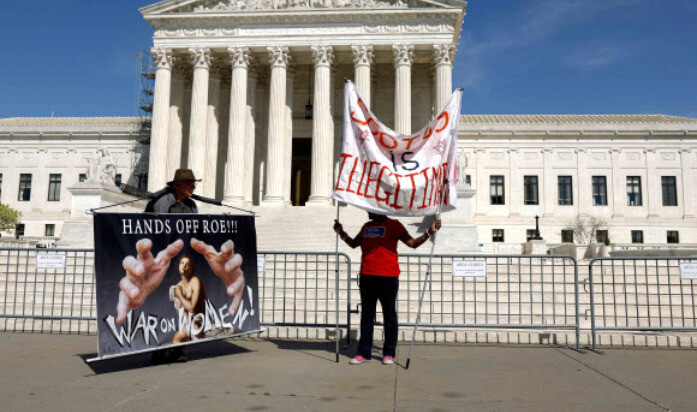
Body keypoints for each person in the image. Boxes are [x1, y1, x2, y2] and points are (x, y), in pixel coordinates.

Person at [334, 212, 441, 365]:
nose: (367, 211)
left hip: (388, 276)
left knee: (389, 316)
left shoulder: (394, 225)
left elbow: (412, 243)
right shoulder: (366, 226)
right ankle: (364, 353)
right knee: (366, 316)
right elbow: (353, 244)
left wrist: (429, 232)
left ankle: (389, 353)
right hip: (367, 275)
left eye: (370, 208)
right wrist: (341, 232)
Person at [171, 254, 207, 344]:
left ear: (191, 269)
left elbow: (191, 308)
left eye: (187, 264)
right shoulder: (178, 286)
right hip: (191, 321)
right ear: (179, 266)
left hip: (204, 320)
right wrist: (192, 324)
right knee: (176, 339)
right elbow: (182, 310)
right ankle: (180, 357)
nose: (184, 266)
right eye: (182, 263)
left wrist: (180, 296)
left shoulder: (195, 281)